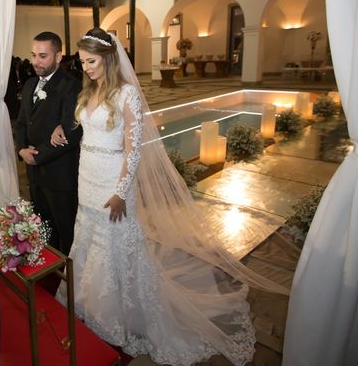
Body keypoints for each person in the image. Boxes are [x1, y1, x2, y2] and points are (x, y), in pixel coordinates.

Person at [51, 28, 288, 365]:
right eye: (82, 61)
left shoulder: (127, 93)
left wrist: (121, 192)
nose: (86, 67)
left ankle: (117, 318)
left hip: (112, 185)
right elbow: (87, 129)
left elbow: (133, 151)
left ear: (107, 58)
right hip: (86, 179)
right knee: (87, 243)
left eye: (91, 61)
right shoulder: (88, 89)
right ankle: (89, 302)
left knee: (115, 250)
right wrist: (63, 127)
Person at [15, 31, 81, 255]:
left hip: (60, 176)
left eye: (43, 56)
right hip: (34, 174)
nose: (36, 62)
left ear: (59, 56)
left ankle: (68, 282)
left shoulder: (71, 86)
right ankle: (50, 275)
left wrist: (37, 155)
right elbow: (22, 122)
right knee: (44, 230)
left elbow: (71, 133)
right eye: (33, 55)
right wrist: (21, 149)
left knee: (67, 233)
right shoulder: (29, 84)